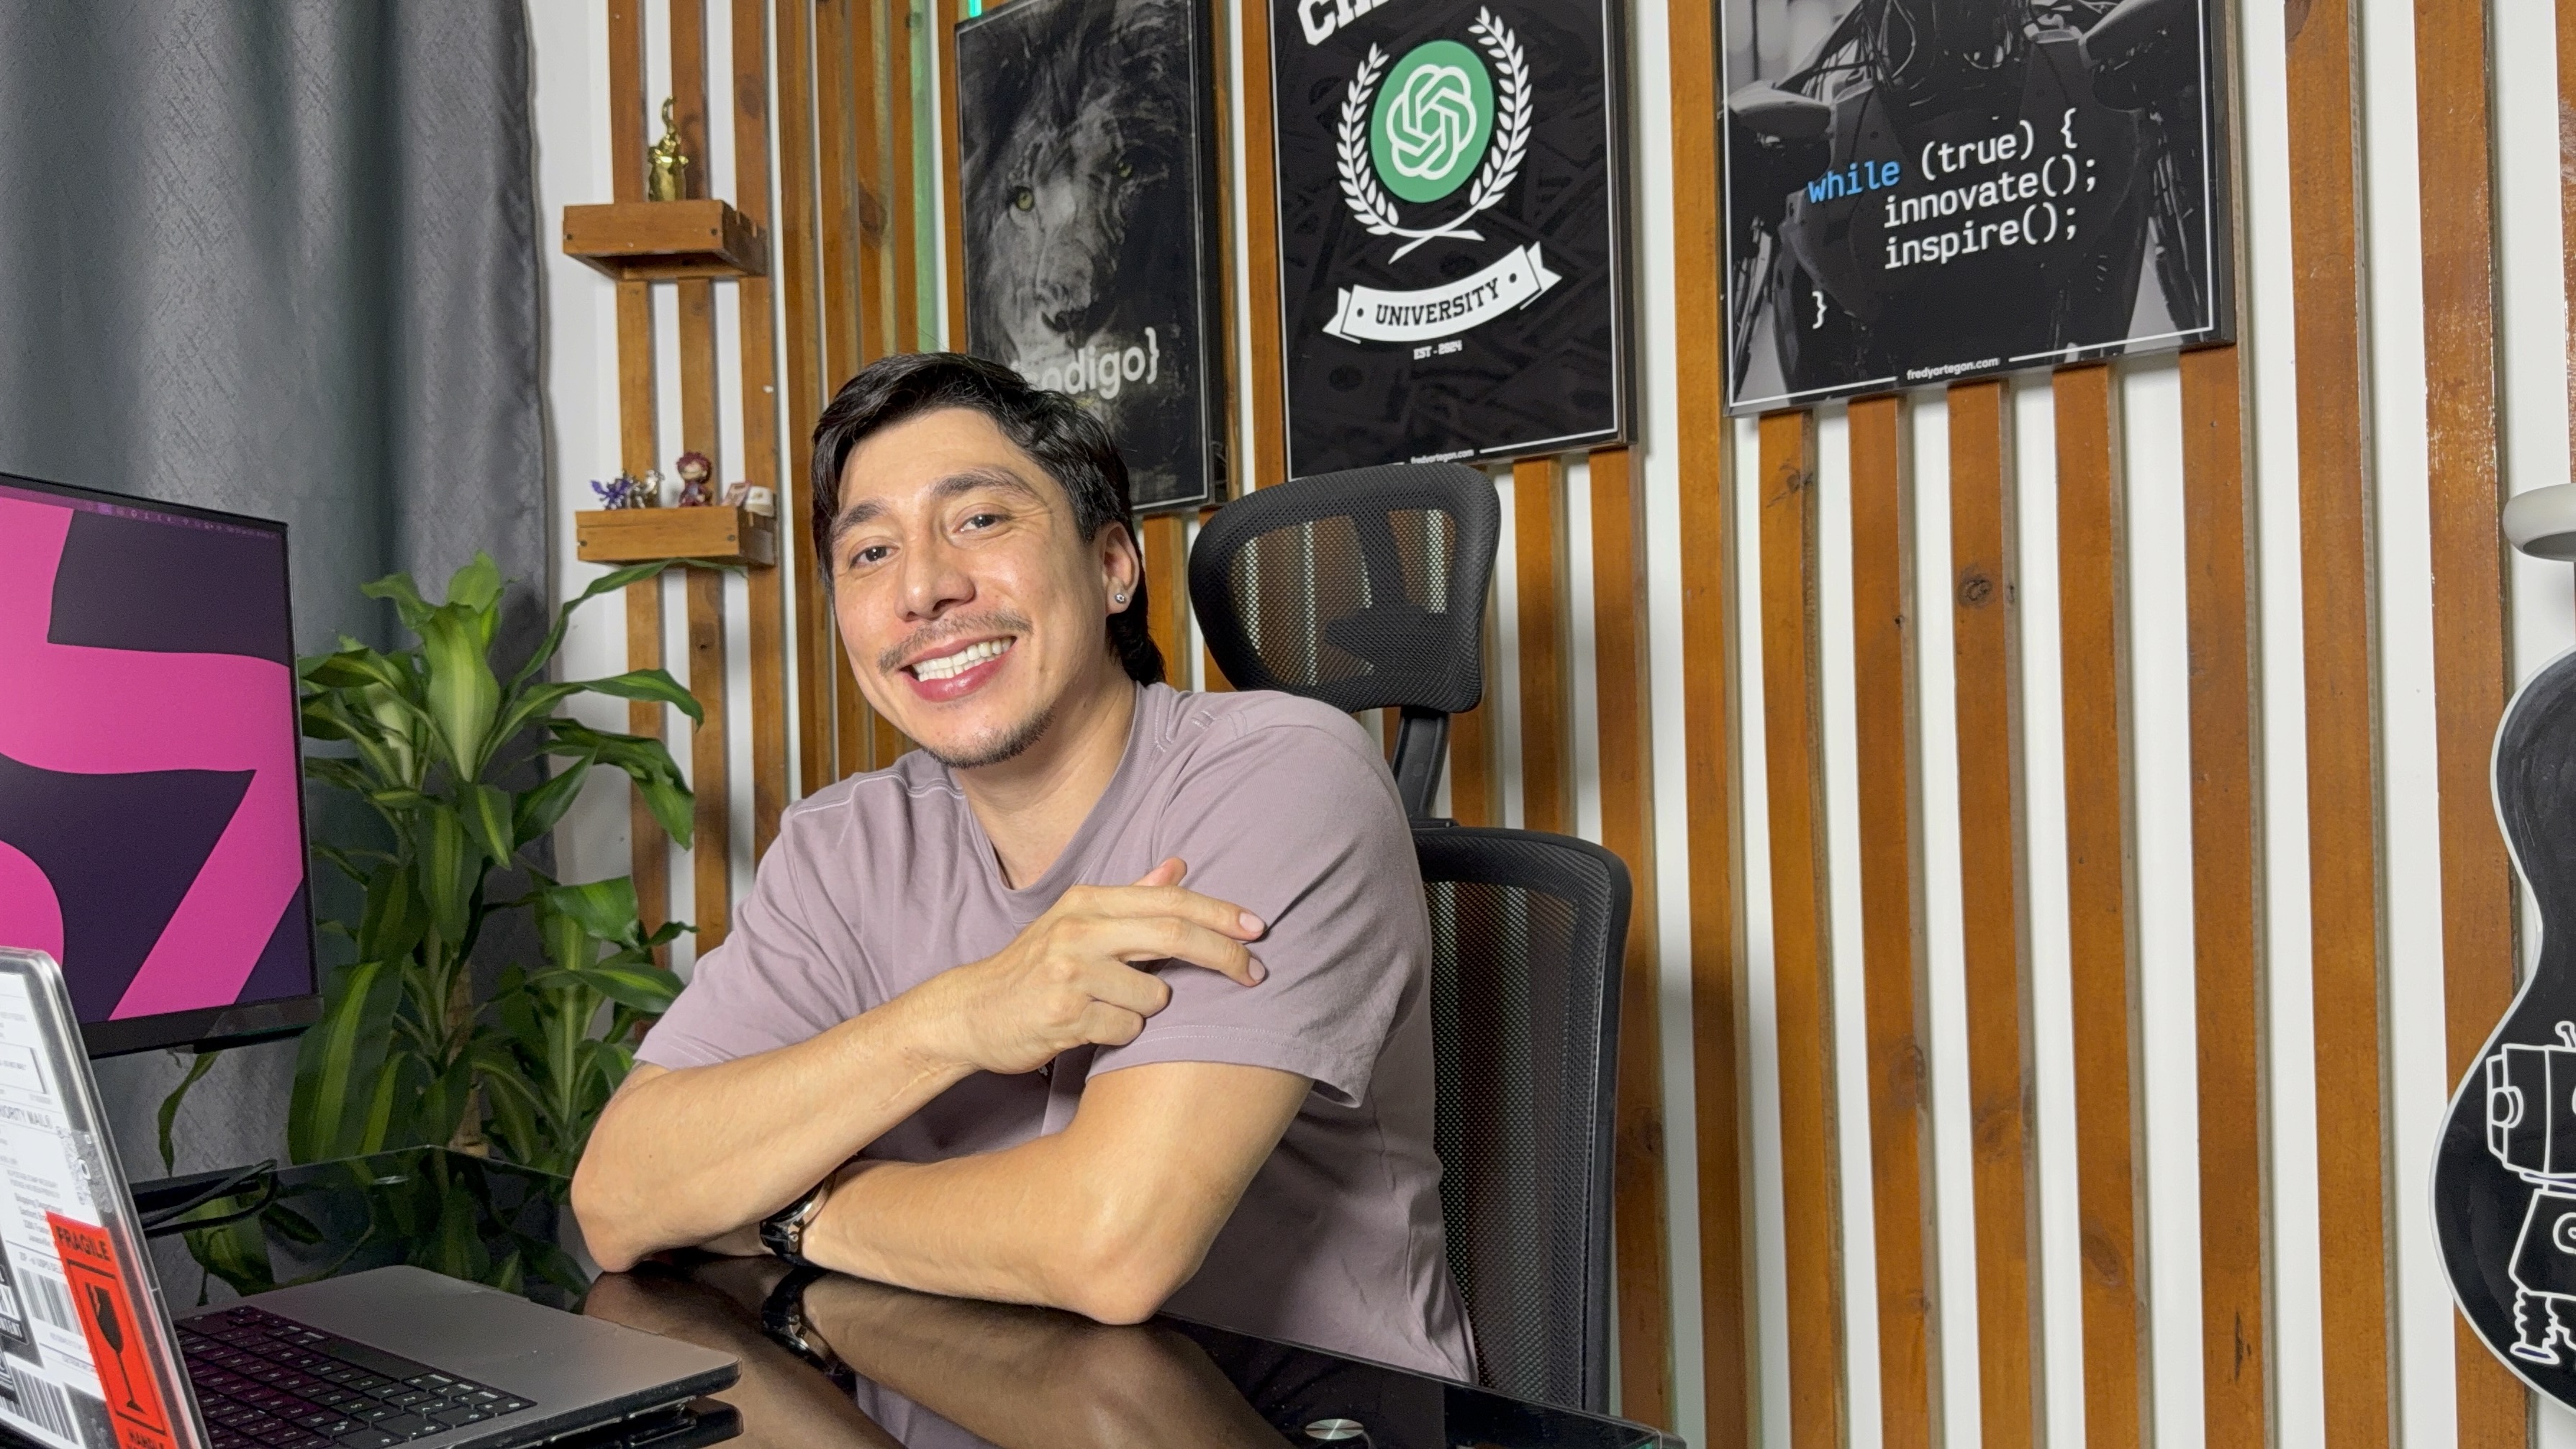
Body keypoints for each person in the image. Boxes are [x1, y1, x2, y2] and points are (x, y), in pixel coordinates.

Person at [570, 353, 1472, 1379]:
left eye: (981, 519)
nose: (924, 588)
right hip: (963, 1397)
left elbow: (1110, 1244)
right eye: (870, 551)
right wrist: (951, 1019)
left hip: (1282, 1417)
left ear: (1114, 566)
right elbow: (617, 1197)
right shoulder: (843, 844)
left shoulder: (1283, 775)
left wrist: (792, 1209)